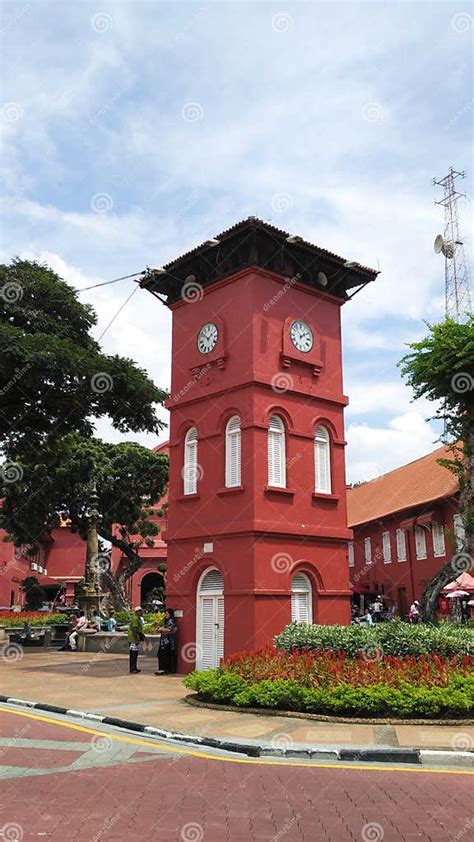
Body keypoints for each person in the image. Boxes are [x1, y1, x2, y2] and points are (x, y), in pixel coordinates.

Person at [155, 608, 178, 675]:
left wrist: (161, 629)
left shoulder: (171, 621)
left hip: (168, 642)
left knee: (165, 655)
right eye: (165, 613)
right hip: (164, 641)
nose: (165, 615)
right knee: (161, 655)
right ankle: (162, 669)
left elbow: (169, 629)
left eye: (167, 613)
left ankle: (166, 669)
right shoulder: (166, 621)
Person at [128, 606, 145, 674]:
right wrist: (136, 639)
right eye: (141, 611)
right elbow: (135, 630)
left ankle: (134, 667)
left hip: (135, 638)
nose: (142, 612)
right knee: (133, 654)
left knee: (135, 654)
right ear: (137, 612)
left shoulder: (137, 618)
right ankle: (132, 669)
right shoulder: (135, 618)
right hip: (133, 639)